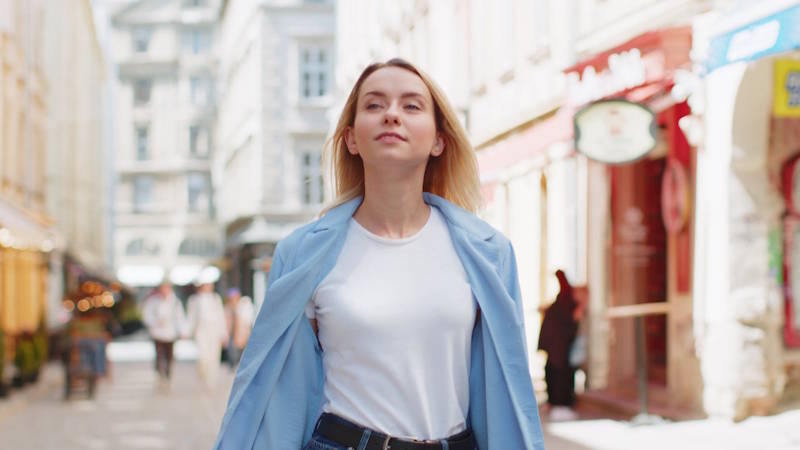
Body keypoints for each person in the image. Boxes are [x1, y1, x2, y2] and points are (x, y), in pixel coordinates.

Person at [214, 58, 544, 450]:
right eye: (374, 105)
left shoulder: (489, 254)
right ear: (352, 139)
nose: (391, 115)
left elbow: (505, 389)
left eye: (411, 106)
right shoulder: (302, 254)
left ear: (439, 139)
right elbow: (281, 392)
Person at [538, 270, 580, 421]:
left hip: (558, 347)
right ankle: (557, 404)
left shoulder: (563, 301)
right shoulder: (564, 302)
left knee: (558, 375)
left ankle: (559, 404)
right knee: (557, 374)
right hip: (558, 347)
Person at [186, 268, 228, 389]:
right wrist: (187, 331)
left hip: (214, 330)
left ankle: (211, 380)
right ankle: (203, 373)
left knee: (214, 356)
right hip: (201, 331)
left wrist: (223, 333)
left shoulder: (216, 299)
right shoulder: (194, 300)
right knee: (203, 356)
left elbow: (220, 317)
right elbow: (191, 317)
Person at [142, 281, 185, 388]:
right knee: (160, 355)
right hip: (158, 333)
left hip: (171, 334)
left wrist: (182, 331)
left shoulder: (175, 302)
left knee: (169, 356)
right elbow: (147, 315)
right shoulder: (153, 301)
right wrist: (155, 322)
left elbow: (180, 318)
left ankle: (168, 375)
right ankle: (160, 374)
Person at [223, 288, 254, 368]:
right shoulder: (227, 308)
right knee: (233, 353)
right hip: (231, 335)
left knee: (241, 352)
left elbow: (247, 322)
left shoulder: (243, 306)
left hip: (241, 334)